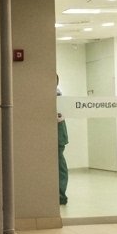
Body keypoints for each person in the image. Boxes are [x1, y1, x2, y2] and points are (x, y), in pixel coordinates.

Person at [56, 75, 69, 205]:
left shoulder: (58, 95)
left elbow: (60, 116)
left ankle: (61, 195)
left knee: (60, 166)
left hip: (58, 135)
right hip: (56, 135)